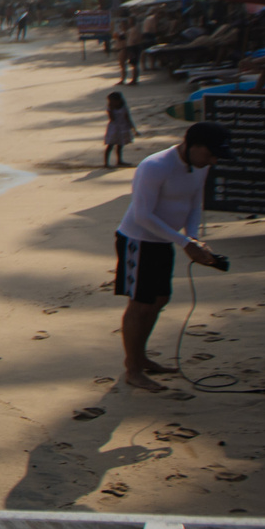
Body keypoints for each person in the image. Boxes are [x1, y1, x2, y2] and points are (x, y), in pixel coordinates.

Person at [112, 120, 233, 390]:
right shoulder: (155, 166)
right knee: (139, 304)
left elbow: (193, 204)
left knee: (159, 299)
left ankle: (141, 357)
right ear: (192, 145)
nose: (213, 160)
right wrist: (184, 242)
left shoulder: (200, 166)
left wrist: (192, 239)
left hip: (165, 240)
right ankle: (132, 369)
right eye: (210, 154)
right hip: (138, 240)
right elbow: (143, 216)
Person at [102, 92, 136, 168]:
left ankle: (119, 160)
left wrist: (133, 128)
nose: (111, 102)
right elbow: (112, 119)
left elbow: (128, 118)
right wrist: (111, 109)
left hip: (123, 127)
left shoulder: (124, 107)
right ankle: (106, 163)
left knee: (120, 144)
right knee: (110, 145)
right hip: (114, 128)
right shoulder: (110, 108)